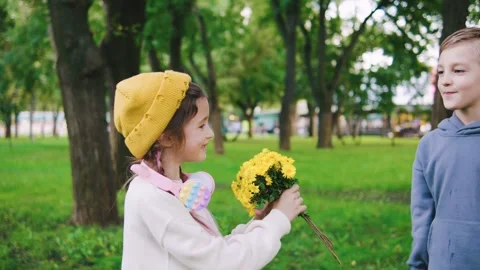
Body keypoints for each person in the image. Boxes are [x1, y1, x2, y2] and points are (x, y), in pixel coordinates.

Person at [114, 71, 307, 270]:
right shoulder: (153, 197)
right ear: (166, 137)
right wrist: (277, 221)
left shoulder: (172, 187)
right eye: (201, 125)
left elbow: (211, 250)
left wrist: (261, 221)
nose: (210, 134)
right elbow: (223, 263)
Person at [407, 27, 480, 270]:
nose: (445, 80)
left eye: (458, 71)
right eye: (441, 72)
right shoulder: (430, 145)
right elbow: (422, 216)